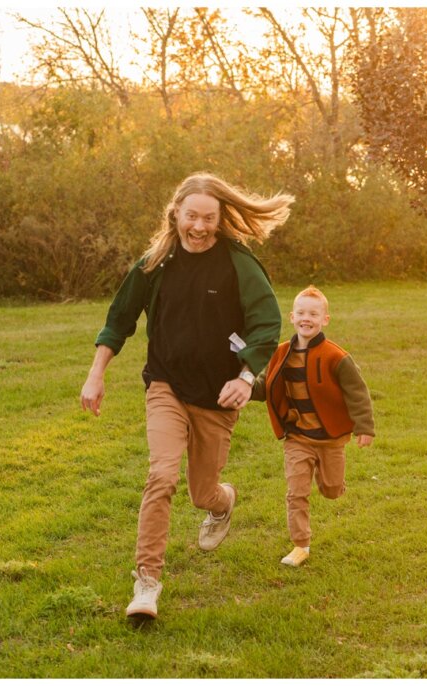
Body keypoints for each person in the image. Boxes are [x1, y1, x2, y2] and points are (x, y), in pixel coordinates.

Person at [80, 172, 293, 620]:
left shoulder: (239, 263)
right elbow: (119, 319)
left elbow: (266, 321)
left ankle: (223, 501)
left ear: (220, 219)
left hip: (218, 396)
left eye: (208, 218)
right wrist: (96, 374)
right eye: (191, 216)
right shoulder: (154, 262)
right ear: (175, 213)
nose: (198, 226)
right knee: (161, 476)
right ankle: (146, 583)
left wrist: (245, 376)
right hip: (166, 385)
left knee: (202, 493)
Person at [250, 285, 375, 567]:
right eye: (302, 313)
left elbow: (357, 392)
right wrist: (242, 388)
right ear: (292, 317)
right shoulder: (280, 353)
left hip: (330, 438)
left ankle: (329, 479)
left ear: (325, 320)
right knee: (296, 492)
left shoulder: (336, 356)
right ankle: (300, 545)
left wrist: (364, 427)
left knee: (331, 490)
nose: (307, 318)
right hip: (297, 437)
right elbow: (263, 386)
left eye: (314, 314)